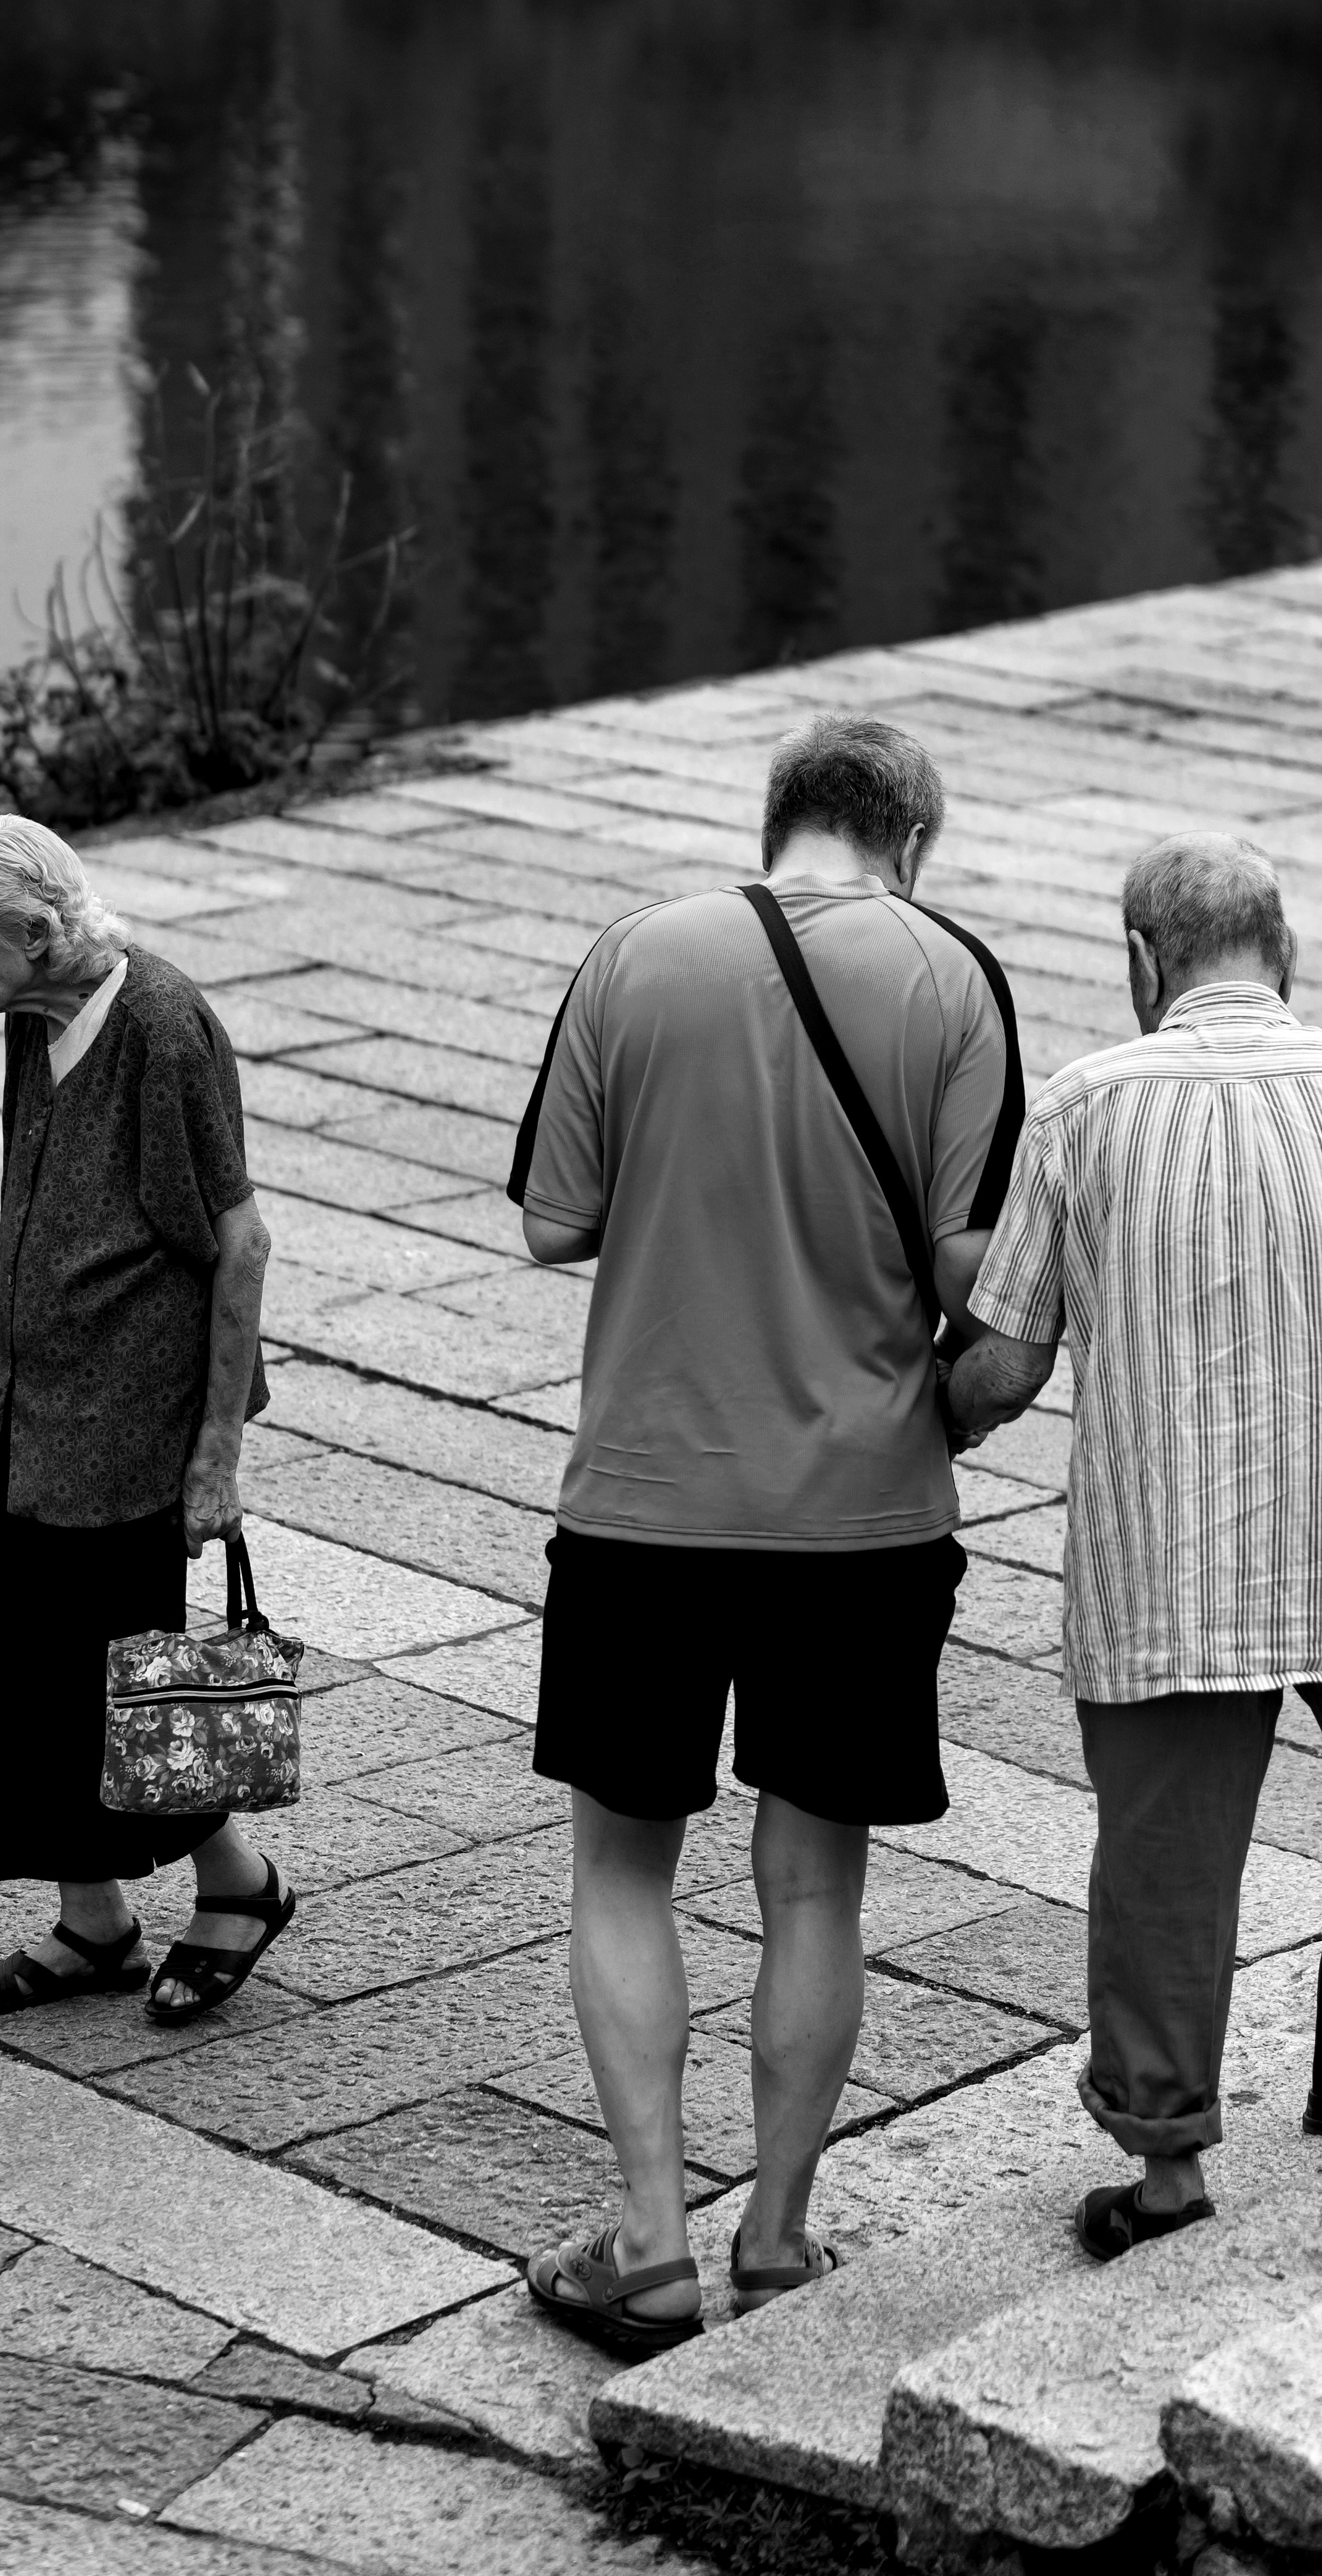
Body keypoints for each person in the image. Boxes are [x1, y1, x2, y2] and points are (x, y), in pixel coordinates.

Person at [949, 830, 1322, 2259]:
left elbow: (1008, 1356)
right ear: (1283, 954)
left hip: (1162, 1561)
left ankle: (1164, 2171)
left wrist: (933, 1421)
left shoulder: (1085, 1108)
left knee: (1162, 1863)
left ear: (1143, 963)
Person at [510, 713, 1023, 2350]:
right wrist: (948, 1401)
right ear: (911, 843)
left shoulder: (631, 953)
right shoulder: (954, 976)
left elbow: (551, 1217)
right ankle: (779, 2240)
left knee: (620, 1866)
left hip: (647, 1502)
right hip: (863, 1522)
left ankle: (647, 2235)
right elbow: (984, 1282)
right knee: (814, 1886)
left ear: (778, 819)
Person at [0, 815, 295, 2027]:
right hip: (33, 1416)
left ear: (32, 931)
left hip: (132, 1427)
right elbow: (22, 1193)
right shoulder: (31, 1017)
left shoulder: (162, 1024)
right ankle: (95, 1922)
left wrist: (215, 1457)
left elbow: (242, 1241)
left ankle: (238, 1886)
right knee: (21, 1676)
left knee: (125, 1688)